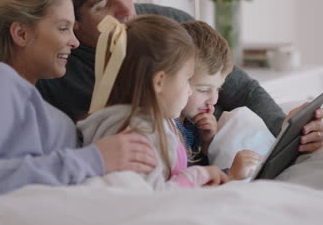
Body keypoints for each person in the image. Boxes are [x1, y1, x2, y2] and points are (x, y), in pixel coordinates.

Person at [36, 0, 323, 154]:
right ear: (72, 19)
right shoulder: (56, 71)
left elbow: (244, 90)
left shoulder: (173, 26)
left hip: (229, 151)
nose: (126, 10)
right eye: (103, 5)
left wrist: (287, 133)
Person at [0, 0, 157, 206]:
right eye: (63, 28)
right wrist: (94, 158)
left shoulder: (40, 106)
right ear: (21, 34)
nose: (74, 42)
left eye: (72, 29)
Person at [77, 15, 228, 189]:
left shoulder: (150, 122)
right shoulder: (138, 134)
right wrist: (198, 176)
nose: (188, 91)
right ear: (159, 82)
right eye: (187, 79)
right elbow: (150, 199)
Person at [176, 20, 262, 181]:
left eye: (218, 89)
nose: (214, 100)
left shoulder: (192, 123)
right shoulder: (168, 130)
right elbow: (186, 184)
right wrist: (229, 175)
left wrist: (207, 144)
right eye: (203, 89)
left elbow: (197, 168)